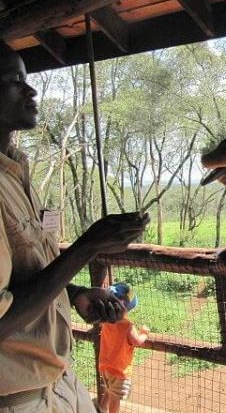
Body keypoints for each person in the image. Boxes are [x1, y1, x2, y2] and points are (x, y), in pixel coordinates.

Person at [0, 41, 150, 412]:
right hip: (18, 400)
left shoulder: (16, 172)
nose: (31, 90)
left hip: (59, 383)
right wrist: (88, 246)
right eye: (15, 80)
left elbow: (23, 279)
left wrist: (75, 293)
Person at [97, 282, 149, 413]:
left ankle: (101, 408)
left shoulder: (106, 321)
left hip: (105, 366)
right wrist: (144, 333)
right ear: (126, 308)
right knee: (116, 398)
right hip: (120, 370)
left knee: (109, 389)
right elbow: (137, 341)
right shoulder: (127, 326)